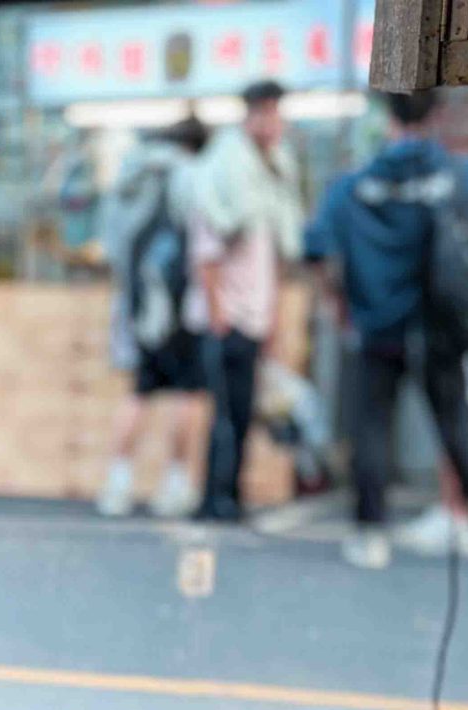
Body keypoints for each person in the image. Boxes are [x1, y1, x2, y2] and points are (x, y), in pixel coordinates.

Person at [311, 93, 468, 571]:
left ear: (388, 119)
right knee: (457, 421)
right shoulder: (458, 175)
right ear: (436, 116)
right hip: (440, 327)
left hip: (375, 326)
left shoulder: (354, 183)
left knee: (371, 428)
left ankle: (370, 534)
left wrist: (339, 306)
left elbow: (319, 249)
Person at [186, 81, 302, 523]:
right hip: (226, 316)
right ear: (248, 116)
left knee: (240, 412)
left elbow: (273, 259)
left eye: (276, 113)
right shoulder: (223, 170)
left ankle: (230, 495)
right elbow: (206, 252)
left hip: (253, 315)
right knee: (224, 416)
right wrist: (218, 313)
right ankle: (214, 499)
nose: (271, 122)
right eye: (264, 113)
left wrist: (271, 317)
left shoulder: (271, 174)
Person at [96, 117, 208, 520]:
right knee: (188, 393)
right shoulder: (194, 175)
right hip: (180, 307)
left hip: (138, 307)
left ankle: (117, 485)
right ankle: (176, 485)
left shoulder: (132, 177)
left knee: (139, 391)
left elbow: (111, 247)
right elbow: (208, 241)